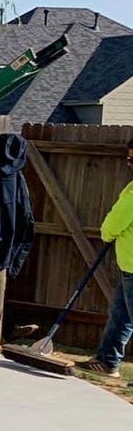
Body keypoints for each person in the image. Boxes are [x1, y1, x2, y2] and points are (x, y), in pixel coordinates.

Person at [78, 145, 133, 378]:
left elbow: (111, 226)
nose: (129, 164)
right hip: (128, 267)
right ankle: (107, 360)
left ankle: (107, 360)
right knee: (121, 315)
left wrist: (108, 234)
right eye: (128, 159)